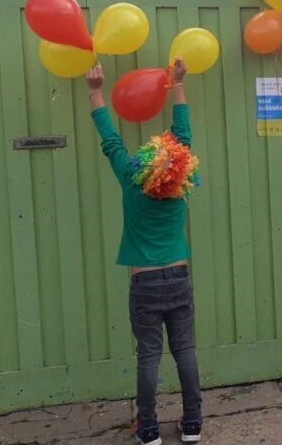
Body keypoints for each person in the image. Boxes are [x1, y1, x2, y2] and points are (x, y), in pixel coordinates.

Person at [86, 59, 202, 445]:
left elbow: (110, 141)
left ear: (141, 168)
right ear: (176, 169)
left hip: (145, 282)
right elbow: (182, 134)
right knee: (184, 350)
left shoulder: (130, 180)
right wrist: (178, 85)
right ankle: (193, 425)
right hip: (179, 276)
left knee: (148, 357)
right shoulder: (179, 185)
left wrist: (95, 90)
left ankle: (149, 429)